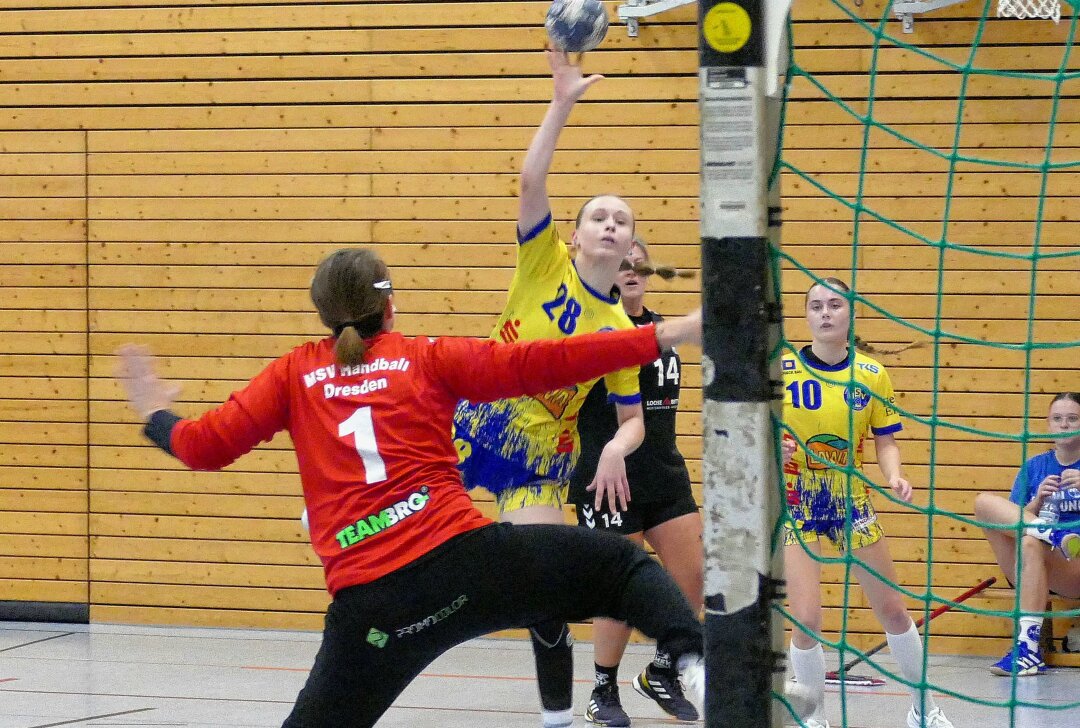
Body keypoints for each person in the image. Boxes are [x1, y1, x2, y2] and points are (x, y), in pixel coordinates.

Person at [113, 247, 711, 728]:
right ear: (390, 304)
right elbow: (542, 363)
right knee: (620, 569)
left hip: (372, 607)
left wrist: (156, 415)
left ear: (324, 313)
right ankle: (693, 665)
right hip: (463, 567)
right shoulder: (425, 357)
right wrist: (666, 333)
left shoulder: (293, 373)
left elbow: (202, 446)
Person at [452, 50, 647, 728]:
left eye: (622, 220)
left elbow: (632, 419)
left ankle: (557, 718)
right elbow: (531, 178)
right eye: (599, 215)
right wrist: (561, 101)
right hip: (476, 416)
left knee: (547, 586)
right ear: (578, 232)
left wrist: (620, 448)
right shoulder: (544, 261)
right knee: (394, 509)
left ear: (630, 254)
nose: (611, 224)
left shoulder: (620, 326)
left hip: (541, 450)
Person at [782, 277, 954, 728]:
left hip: (850, 499)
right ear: (806, 315)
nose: (824, 313)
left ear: (849, 313)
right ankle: (812, 718)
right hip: (796, 500)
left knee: (893, 609)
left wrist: (894, 474)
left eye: (834, 304)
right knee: (805, 618)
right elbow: (754, 431)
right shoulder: (780, 368)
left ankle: (924, 707)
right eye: (815, 305)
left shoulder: (872, 375)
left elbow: (885, 440)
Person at [567, 238, 703, 727]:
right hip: (608, 479)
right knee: (619, 589)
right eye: (620, 264)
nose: (630, 270)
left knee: (694, 577)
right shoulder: (590, 328)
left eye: (638, 263)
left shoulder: (664, 332)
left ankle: (663, 671)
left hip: (664, 473)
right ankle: (603, 689)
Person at [973, 392, 1080, 676]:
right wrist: (1037, 504)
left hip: (1073, 567)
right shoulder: (1035, 466)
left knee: (1031, 541)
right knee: (983, 503)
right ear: (1048, 424)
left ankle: (1027, 649)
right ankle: (1046, 531)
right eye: (1057, 419)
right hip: (1028, 561)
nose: (1064, 425)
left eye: (1072, 419)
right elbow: (1011, 520)